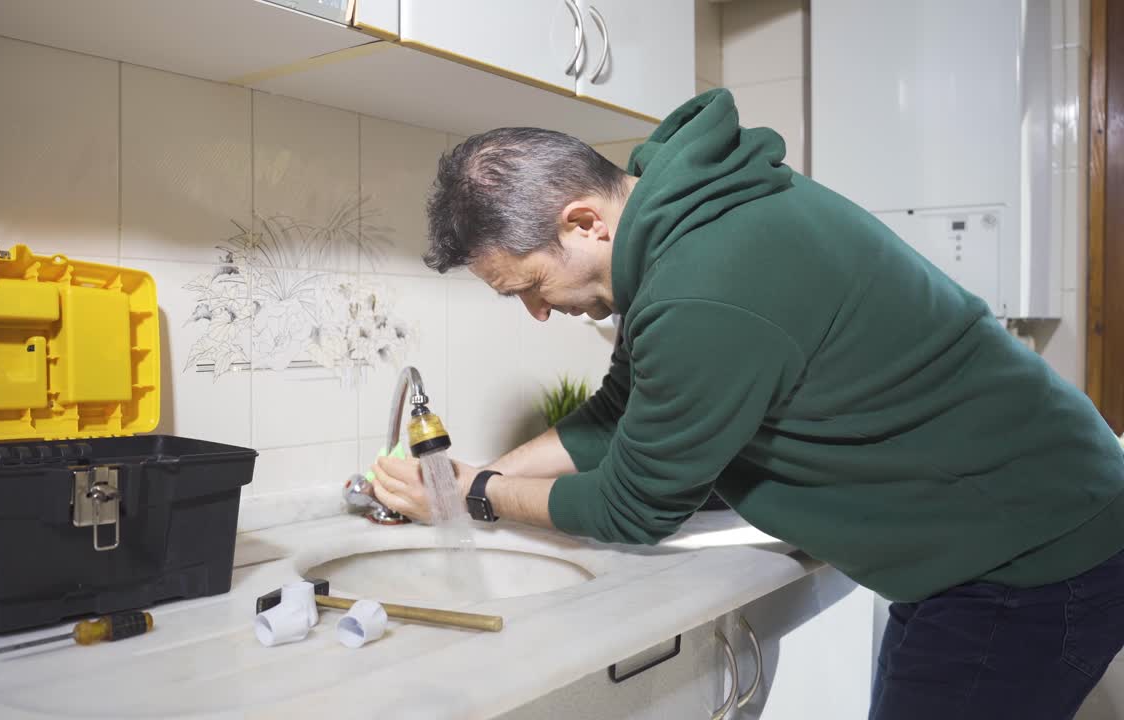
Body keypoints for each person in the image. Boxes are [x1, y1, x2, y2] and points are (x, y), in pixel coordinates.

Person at [368, 89, 1124, 719]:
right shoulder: (686, 221)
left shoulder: (701, 284)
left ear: (583, 223)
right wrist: (474, 479)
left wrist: (478, 497)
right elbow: (620, 409)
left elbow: (639, 506)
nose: (537, 311)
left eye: (530, 286)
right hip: (982, 537)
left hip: (1032, 549)